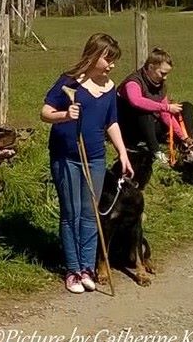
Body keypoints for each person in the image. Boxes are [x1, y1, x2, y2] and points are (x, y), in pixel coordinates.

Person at [40, 33, 133, 294]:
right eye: (108, 59)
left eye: (114, 60)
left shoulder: (109, 87)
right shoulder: (69, 83)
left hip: (94, 157)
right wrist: (64, 115)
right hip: (66, 155)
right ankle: (72, 270)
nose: (111, 65)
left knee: (90, 212)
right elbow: (45, 112)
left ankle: (87, 268)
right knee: (72, 213)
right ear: (93, 55)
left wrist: (123, 153)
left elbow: (111, 122)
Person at [116, 47, 193, 166]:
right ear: (151, 67)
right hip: (131, 128)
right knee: (144, 110)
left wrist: (183, 136)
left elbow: (165, 114)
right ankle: (156, 152)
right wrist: (167, 107)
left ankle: (184, 144)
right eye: (162, 73)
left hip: (150, 126)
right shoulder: (133, 82)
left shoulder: (160, 85)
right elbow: (136, 101)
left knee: (186, 107)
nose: (165, 77)